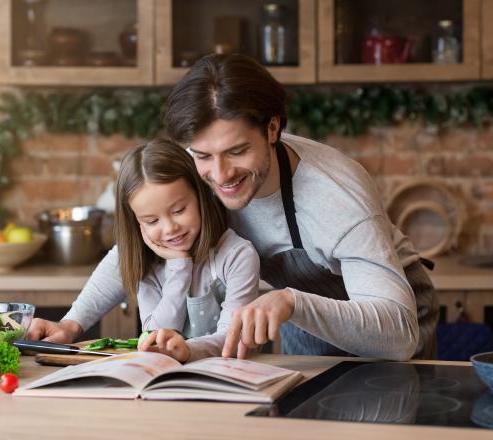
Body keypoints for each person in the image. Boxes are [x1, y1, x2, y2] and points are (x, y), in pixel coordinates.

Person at [28, 53, 438, 361]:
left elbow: (399, 336)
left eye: (237, 151)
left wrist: (293, 301)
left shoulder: (335, 196)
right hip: (299, 315)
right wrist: (72, 322)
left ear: (273, 127)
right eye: (203, 155)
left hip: (388, 316)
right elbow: (130, 252)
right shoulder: (196, 171)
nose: (220, 174)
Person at [106, 138, 259, 362]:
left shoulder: (237, 256)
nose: (170, 228)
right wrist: (179, 265)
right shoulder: (146, 264)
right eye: (151, 220)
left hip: (232, 383)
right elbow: (152, 336)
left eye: (179, 210)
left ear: (200, 195)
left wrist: (188, 350)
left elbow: (231, 338)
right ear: (135, 223)